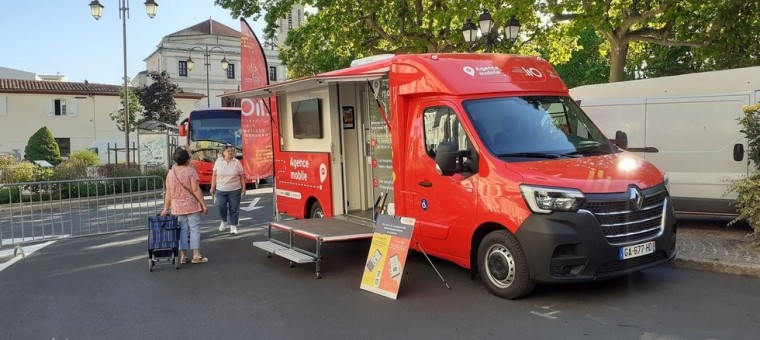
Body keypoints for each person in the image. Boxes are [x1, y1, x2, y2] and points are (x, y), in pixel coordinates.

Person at [161, 148, 209, 264]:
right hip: (192, 205)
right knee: (194, 229)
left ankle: (183, 256)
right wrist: (203, 204)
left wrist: (166, 208)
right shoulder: (191, 171)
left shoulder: (170, 173)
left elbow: (168, 192)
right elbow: (196, 189)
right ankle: (196, 255)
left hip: (177, 207)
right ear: (187, 160)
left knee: (182, 230)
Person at [210, 145, 246, 235]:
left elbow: (242, 175)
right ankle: (224, 221)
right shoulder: (218, 161)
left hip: (235, 189)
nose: (230, 153)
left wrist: (244, 188)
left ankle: (233, 226)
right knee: (221, 206)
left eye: (231, 151)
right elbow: (214, 175)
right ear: (223, 153)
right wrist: (212, 187)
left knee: (234, 209)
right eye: (228, 151)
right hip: (220, 190)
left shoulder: (236, 162)